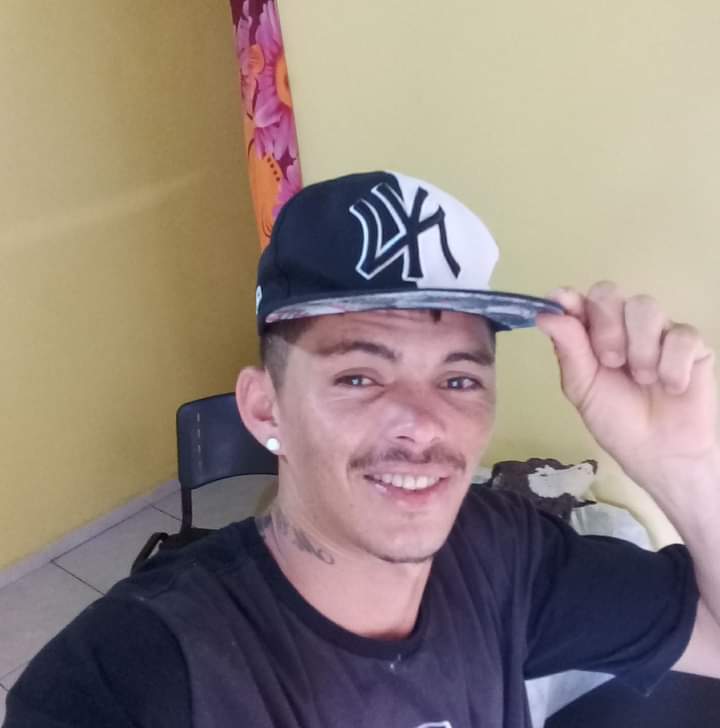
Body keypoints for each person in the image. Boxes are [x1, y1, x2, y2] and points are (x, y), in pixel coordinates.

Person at [4, 171, 719, 728]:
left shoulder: (502, 552)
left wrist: (689, 468)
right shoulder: (131, 675)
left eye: (459, 378)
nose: (422, 425)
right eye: (359, 376)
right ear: (266, 407)